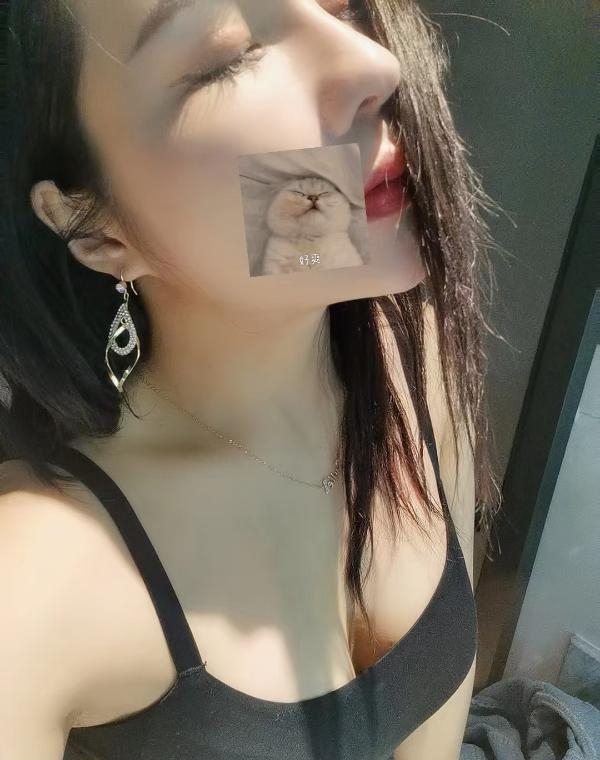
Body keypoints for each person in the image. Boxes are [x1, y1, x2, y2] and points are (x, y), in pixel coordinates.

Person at [0, 1, 502, 759]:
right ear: (95, 227)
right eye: (226, 56)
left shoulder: (415, 354)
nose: (375, 63)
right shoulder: (39, 576)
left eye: (340, 4)